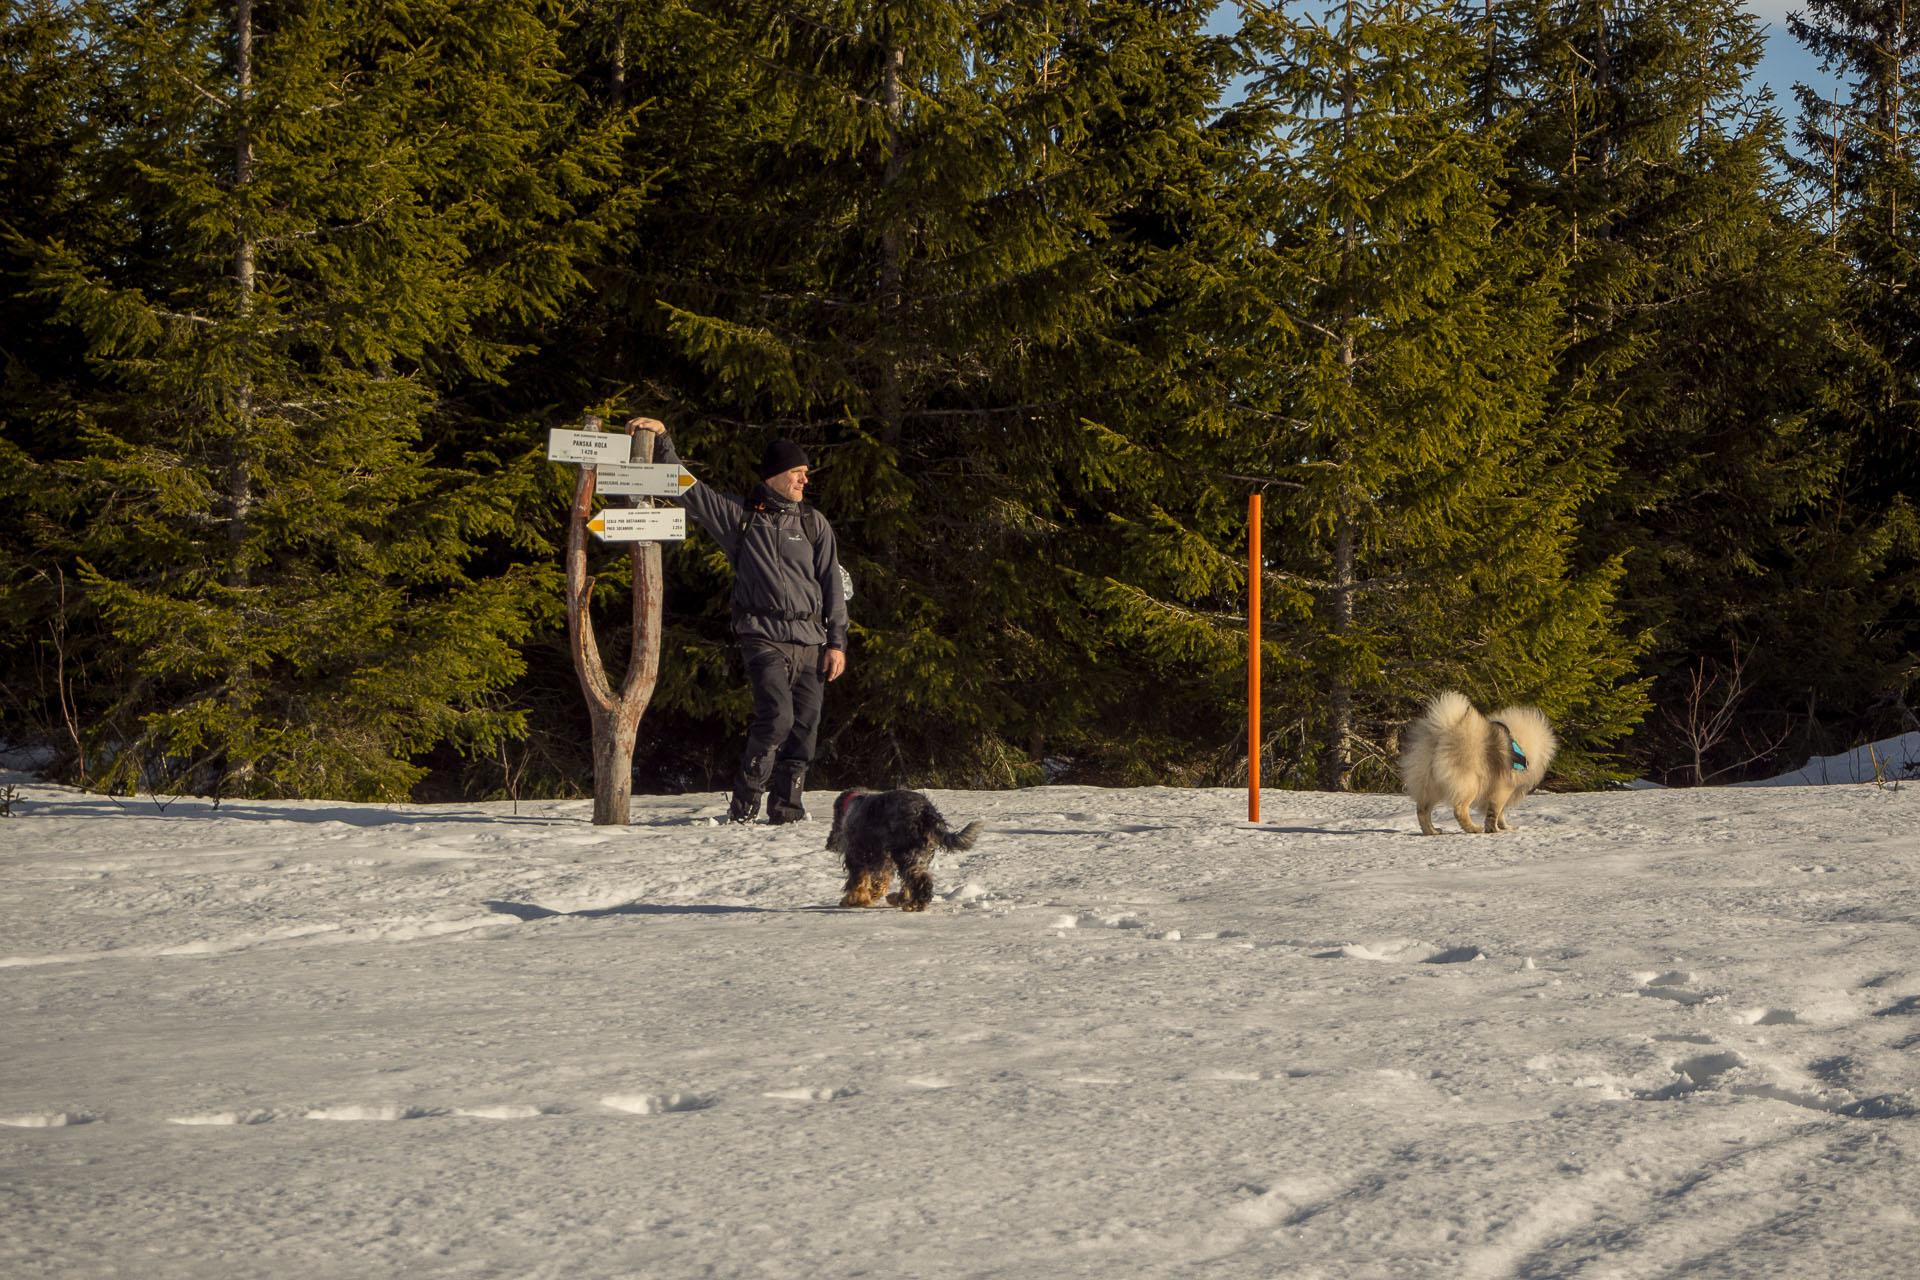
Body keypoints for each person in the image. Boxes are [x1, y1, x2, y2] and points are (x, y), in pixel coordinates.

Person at [626, 417, 848, 824]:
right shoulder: (739, 516)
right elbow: (687, 489)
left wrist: (836, 643)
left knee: (805, 728)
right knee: (777, 718)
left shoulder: (814, 523)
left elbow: (832, 584)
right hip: (762, 636)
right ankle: (745, 806)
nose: (804, 481)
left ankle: (787, 811)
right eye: (798, 473)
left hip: (812, 640)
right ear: (776, 475)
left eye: (805, 475)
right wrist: (662, 440)